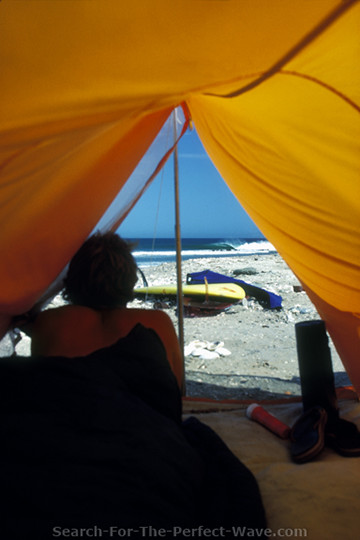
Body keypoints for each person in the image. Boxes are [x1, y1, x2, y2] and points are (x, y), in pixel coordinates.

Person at [29, 231, 184, 391]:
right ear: (131, 280)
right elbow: (177, 389)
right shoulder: (158, 322)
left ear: (72, 279)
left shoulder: (48, 322)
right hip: (145, 415)